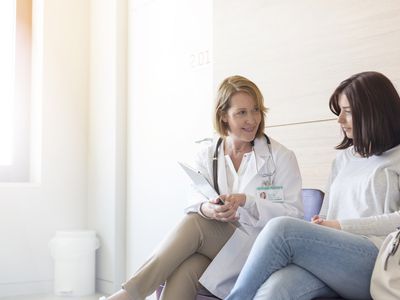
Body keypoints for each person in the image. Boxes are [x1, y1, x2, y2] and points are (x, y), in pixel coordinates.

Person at [104, 75, 303, 300]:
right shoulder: (207, 155)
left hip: (263, 250)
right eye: (241, 112)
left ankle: (130, 294)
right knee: (187, 268)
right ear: (223, 116)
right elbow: (195, 200)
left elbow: (294, 218)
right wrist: (209, 209)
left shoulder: (281, 157)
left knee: (196, 222)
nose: (252, 119)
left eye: (255, 110)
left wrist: (249, 201)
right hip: (223, 251)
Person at [225, 71, 400, 300]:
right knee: (276, 289)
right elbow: (327, 212)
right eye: (340, 112)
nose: (340, 120)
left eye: (347, 112)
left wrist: (340, 226)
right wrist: (322, 224)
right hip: (333, 257)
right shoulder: (344, 159)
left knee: (282, 230)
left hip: (379, 259)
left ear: (374, 112)